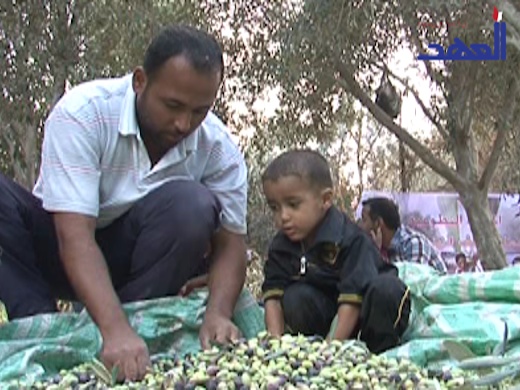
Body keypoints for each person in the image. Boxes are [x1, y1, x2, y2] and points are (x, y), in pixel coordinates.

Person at [0, 25, 248, 382]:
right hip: (59, 246)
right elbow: (75, 238)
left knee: (192, 206)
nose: (183, 123)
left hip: (133, 266)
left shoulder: (217, 146)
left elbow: (232, 244)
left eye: (200, 111)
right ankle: (42, 330)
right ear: (140, 82)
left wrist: (219, 313)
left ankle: (137, 330)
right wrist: (112, 328)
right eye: (173, 105)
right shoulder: (84, 113)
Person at [260, 150, 411, 354]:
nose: (283, 216)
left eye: (293, 205)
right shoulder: (281, 245)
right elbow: (273, 296)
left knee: (387, 290)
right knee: (295, 297)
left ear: (325, 200)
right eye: (274, 207)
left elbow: (352, 299)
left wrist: (330, 352)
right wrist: (273, 343)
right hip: (328, 309)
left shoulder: (352, 239)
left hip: (366, 308)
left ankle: (377, 351)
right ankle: (315, 346)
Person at [359, 197, 448, 273]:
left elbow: (411, 286)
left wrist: (377, 255)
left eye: (364, 220)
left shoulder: (413, 243)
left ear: (378, 223)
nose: (360, 226)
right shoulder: (381, 248)